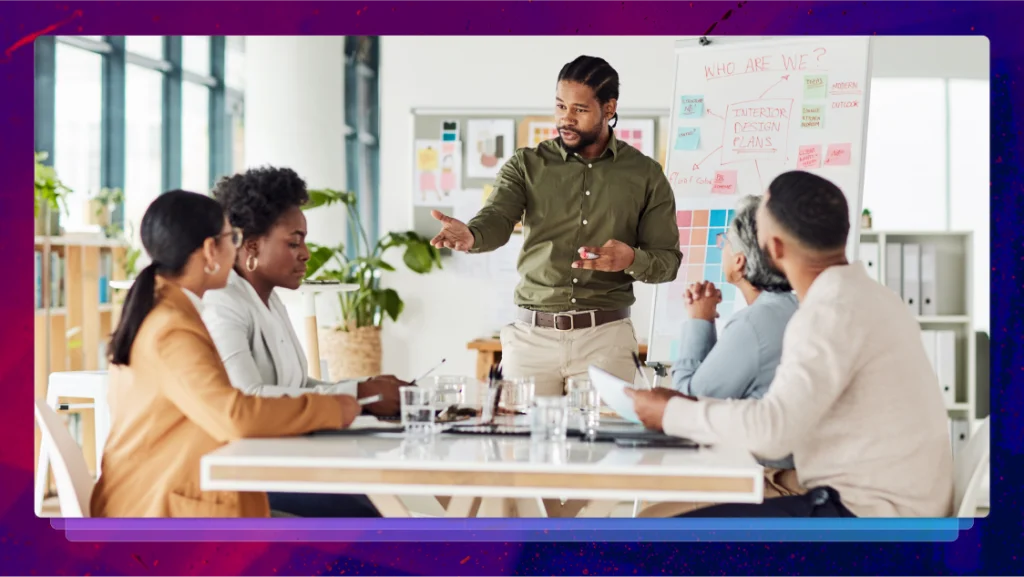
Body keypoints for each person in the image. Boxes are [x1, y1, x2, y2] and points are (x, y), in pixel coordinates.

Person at [628, 171, 954, 518]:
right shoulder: (871, 296)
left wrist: (670, 412)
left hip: (868, 514)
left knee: (655, 532)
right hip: (904, 501)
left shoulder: (826, 313)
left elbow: (772, 430)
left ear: (774, 250)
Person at [91, 190, 361, 518]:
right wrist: (333, 407)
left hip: (176, 492)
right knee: (361, 530)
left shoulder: (171, 311)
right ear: (209, 250)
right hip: (159, 509)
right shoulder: (171, 329)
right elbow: (235, 416)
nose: (237, 246)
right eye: (231, 237)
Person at [429, 55, 682, 396]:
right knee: (521, 445)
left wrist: (630, 260)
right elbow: (498, 219)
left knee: (599, 446)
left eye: (579, 109)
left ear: (609, 109)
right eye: (560, 106)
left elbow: (668, 262)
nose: (566, 118)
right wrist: (472, 235)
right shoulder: (527, 164)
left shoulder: (646, 174)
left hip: (605, 340)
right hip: (531, 340)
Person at [203, 166, 402, 518]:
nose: (306, 253)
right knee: (371, 515)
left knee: (376, 503)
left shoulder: (267, 297)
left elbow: (295, 385)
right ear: (251, 247)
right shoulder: (224, 304)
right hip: (245, 477)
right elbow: (248, 399)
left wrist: (365, 390)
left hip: (280, 459)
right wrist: (360, 396)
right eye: (293, 242)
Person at [638, 195, 802, 518]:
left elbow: (688, 403)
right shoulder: (790, 307)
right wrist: (706, 319)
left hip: (774, 484)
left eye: (723, 240)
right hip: (797, 477)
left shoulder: (755, 323)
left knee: (650, 519)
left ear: (740, 260)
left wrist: (698, 320)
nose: (719, 247)